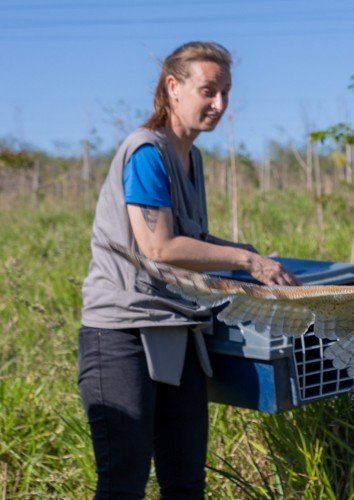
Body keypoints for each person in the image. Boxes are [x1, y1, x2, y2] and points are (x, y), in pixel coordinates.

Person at [78, 41, 298, 498]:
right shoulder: (146, 152)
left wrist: (248, 253)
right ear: (173, 87)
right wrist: (244, 260)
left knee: (185, 482)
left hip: (178, 329)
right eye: (209, 91)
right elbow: (159, 246)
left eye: (227, 93)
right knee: (124, 482)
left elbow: (192, 237)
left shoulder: (191, 157)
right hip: (124, 335)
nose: (219, 105)